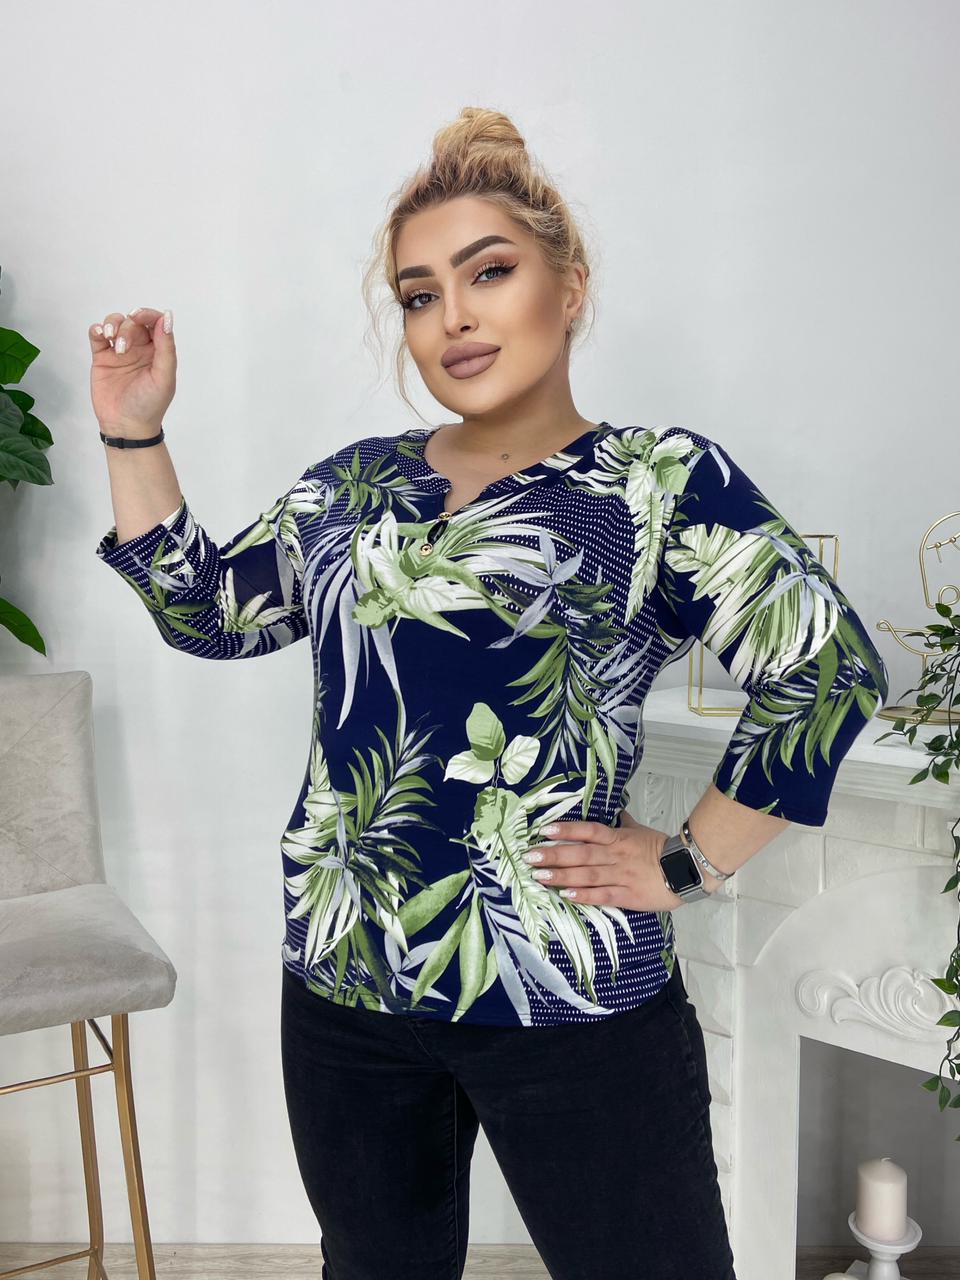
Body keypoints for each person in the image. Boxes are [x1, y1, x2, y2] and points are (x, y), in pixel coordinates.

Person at [89, 106, 889, 1280]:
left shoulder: (656, 482)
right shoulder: (353, 486)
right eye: (419, 295)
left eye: (489, 272)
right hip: (347, 980)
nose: (452, 316)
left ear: (570, 287)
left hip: (568, 989)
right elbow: (209, 611)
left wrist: (689, 860)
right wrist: (132, 433)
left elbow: (826, 667)